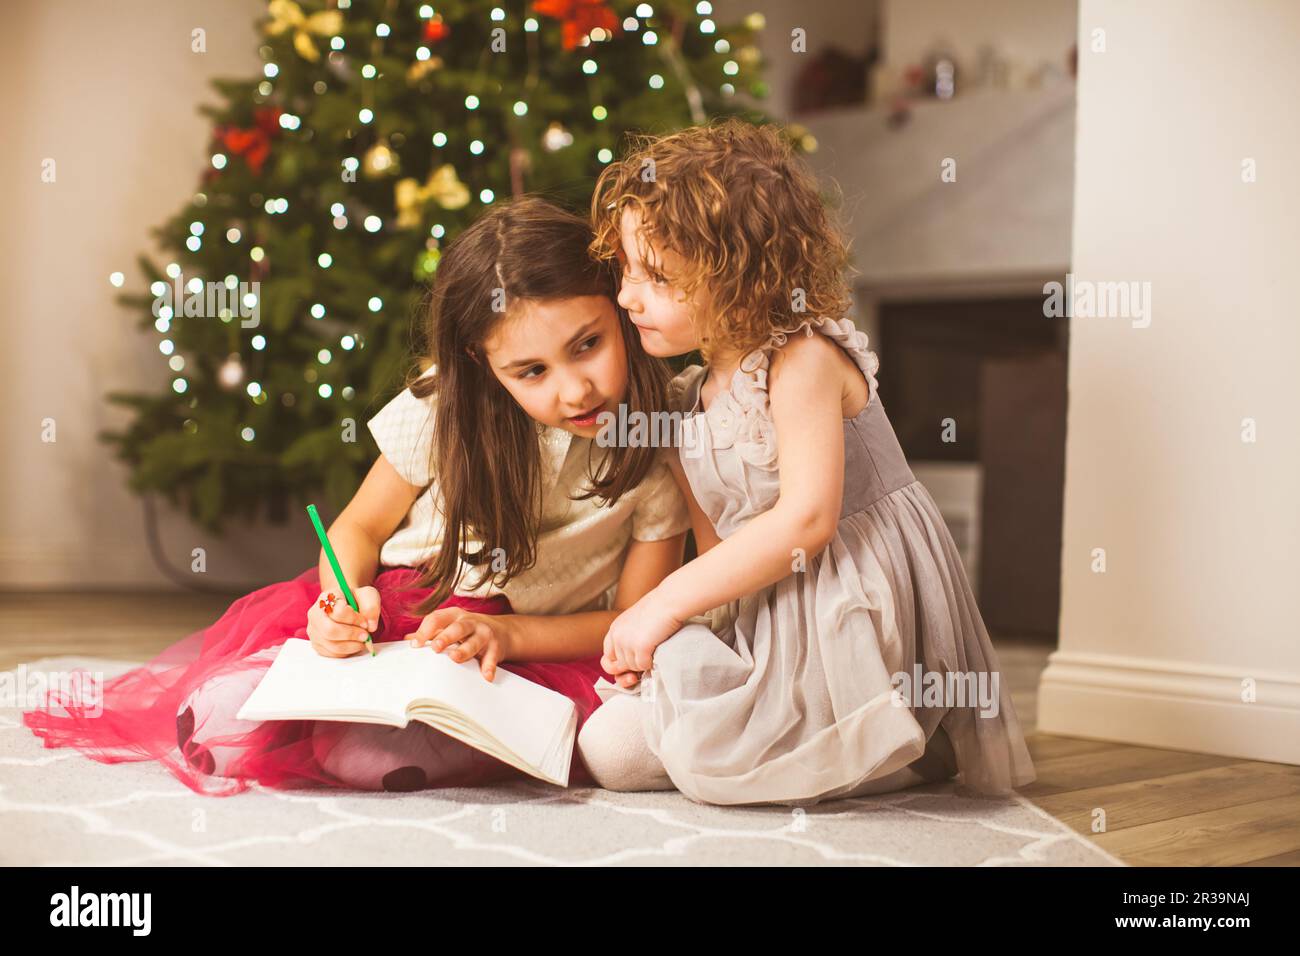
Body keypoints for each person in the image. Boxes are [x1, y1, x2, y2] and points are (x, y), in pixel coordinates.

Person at [23, 197, 690, 796]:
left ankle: (374, 742)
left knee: (381, 751)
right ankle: (283, 709)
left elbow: (629, 619)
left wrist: (509, 634)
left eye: (588, 346)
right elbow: (360, 531)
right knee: (256, 697)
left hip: (530, 646)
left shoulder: (657, 450)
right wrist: (340, 597)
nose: (575, 391)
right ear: (482, 364)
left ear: (620, 309)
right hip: (409, 610)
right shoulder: (440, 409)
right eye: (533, 371)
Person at [576, 120, 1037, 806]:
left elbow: (809, 519)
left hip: (853, 616)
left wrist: (660, 604)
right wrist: (682, 639)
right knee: (609, 746)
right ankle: (831, 746)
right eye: (625, 271)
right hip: (769, 623)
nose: (626, 296)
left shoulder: (804, 360)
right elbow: (718, 558)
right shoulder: (684, 401)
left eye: (657, 277)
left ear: (739, 277)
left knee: (696, 756)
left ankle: (898, 739)